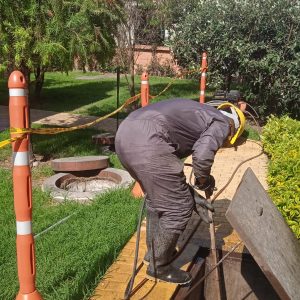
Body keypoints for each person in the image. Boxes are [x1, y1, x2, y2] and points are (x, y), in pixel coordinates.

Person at [115, 98, 245, 285]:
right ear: (234, 130)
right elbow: (201, 156)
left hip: (124, 136)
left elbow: (169, 178)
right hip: (148, 145)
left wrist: (192, 196)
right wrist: (204, 180)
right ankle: (159, 266)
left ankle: (154, 252)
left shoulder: (200, 112)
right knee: (179, 209)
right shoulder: (222, 123)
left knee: (156, 199)